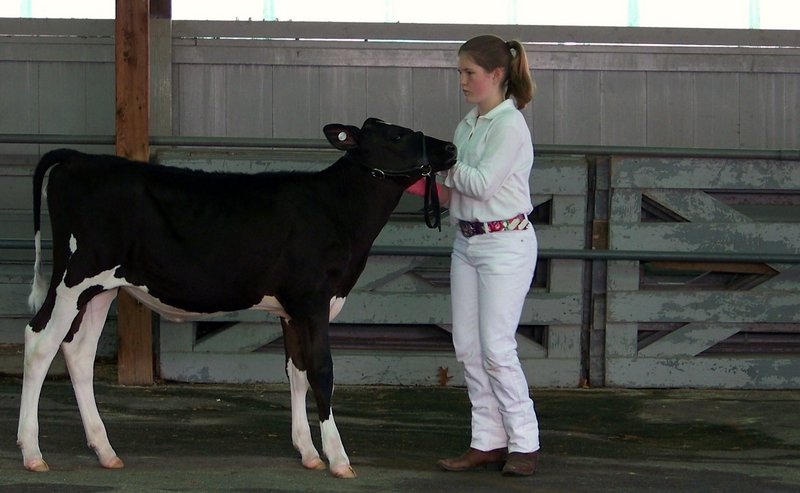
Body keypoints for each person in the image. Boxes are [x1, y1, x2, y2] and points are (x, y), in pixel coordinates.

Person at [406, 34, 540, 477]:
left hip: (506, 243)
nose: (462, 81)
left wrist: (439, 161)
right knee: (468, 347)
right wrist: (407, 177)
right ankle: (487, 440)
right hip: (467, 242)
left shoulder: (509, 125)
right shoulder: (469, 125)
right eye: (460, 72)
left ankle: (525, 442)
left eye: (469, 73)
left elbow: (480, 184)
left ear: (496, 74)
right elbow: (451, 195)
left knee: (497, 348)